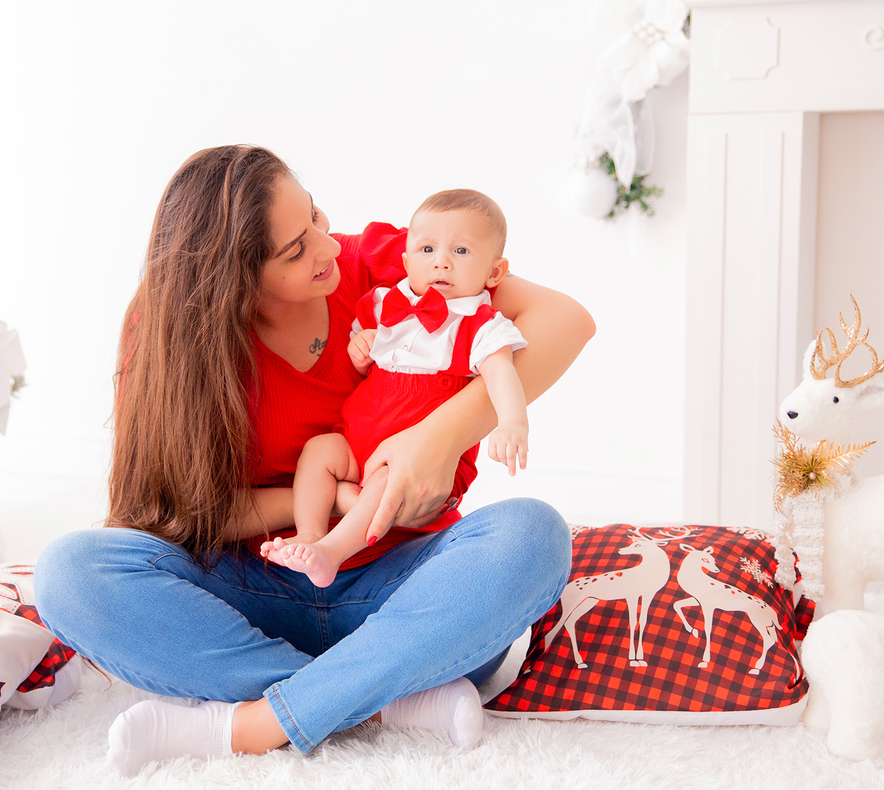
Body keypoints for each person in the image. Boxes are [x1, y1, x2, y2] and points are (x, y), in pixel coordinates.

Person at [33, 145, 594, 774]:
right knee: (70, 572)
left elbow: (565, 320)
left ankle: (255, 721)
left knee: (531, 534)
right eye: (296, 250)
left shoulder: (383, 262)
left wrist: (435, 439)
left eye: (315, 217)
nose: (328, 246)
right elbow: (175, 515)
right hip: (251, 595)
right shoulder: (165, 337)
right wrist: (336, 502)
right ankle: (375, 700)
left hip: (402, 594)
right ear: (233, 279)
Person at [262, 188, 530, 588]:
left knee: (388, 480)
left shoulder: (480, 324)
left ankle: (331, 553)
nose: (441, 261)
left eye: (460, 251)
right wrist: (361, 350)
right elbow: (366, 353)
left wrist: (512, 422)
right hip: (358, 437)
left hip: (412, 456)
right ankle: (310, 533)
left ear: (494, 273)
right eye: (427, 250)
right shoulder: (386, 304)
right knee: (319, 450)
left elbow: (502, 372)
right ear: (405, 262)